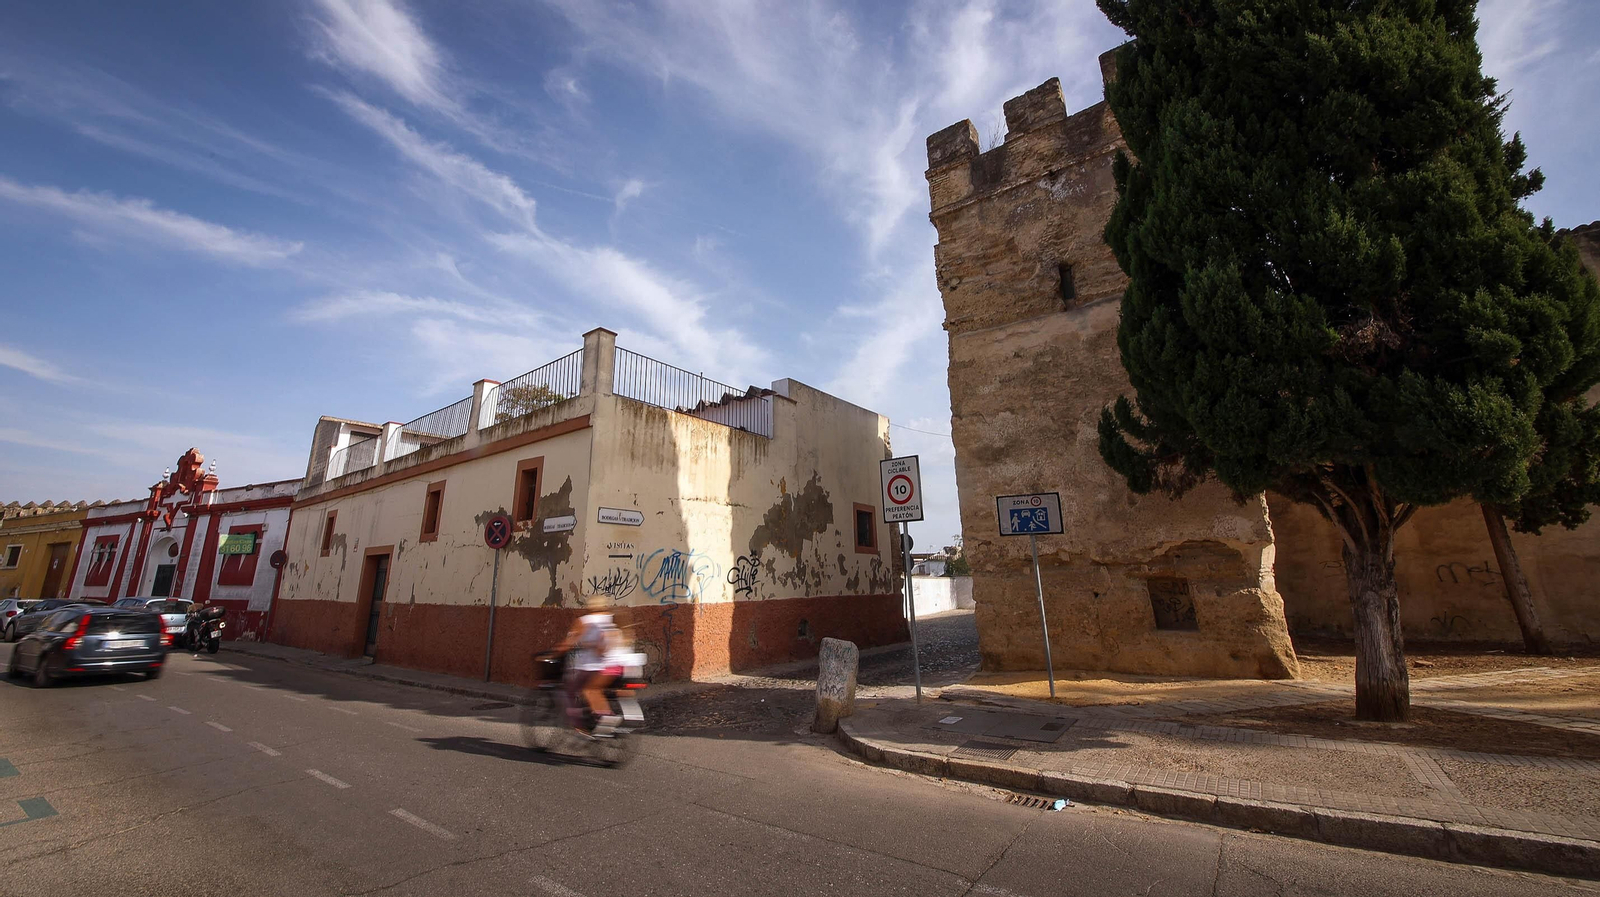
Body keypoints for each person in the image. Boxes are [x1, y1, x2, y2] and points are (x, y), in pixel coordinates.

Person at [553, 594, 629, 735]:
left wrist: (555, 652)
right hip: (614, 665)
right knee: (594, 690)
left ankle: (581, 725)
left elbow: (570, 642)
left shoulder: (584, 621)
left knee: (573, 690)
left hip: (590, 666)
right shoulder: (611, 619)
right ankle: (598, 717)